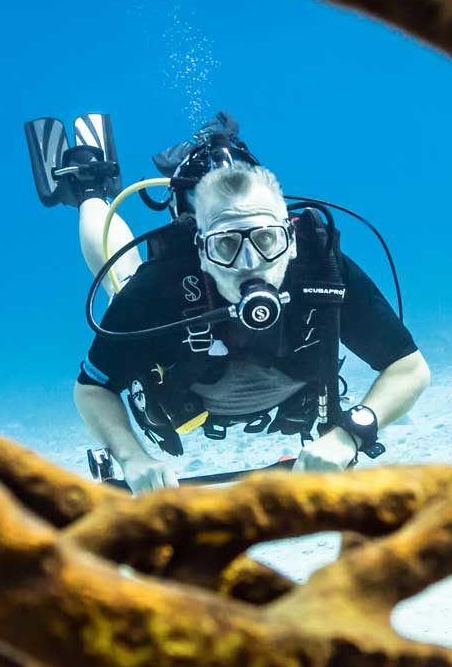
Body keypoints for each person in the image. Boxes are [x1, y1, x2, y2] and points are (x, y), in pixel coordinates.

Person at [65, 115, 429, 494]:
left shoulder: (320, 267)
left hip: (286, 393)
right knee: (122, 281)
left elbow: (409, 368)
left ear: (290, 240)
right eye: (226, 245)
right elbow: (92, 388)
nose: (249, 263)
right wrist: (130, 457)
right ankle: (90, 188)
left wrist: (349, 434)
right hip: (181, 396)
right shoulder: (161, 283)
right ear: (202, 251)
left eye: (266, 240)